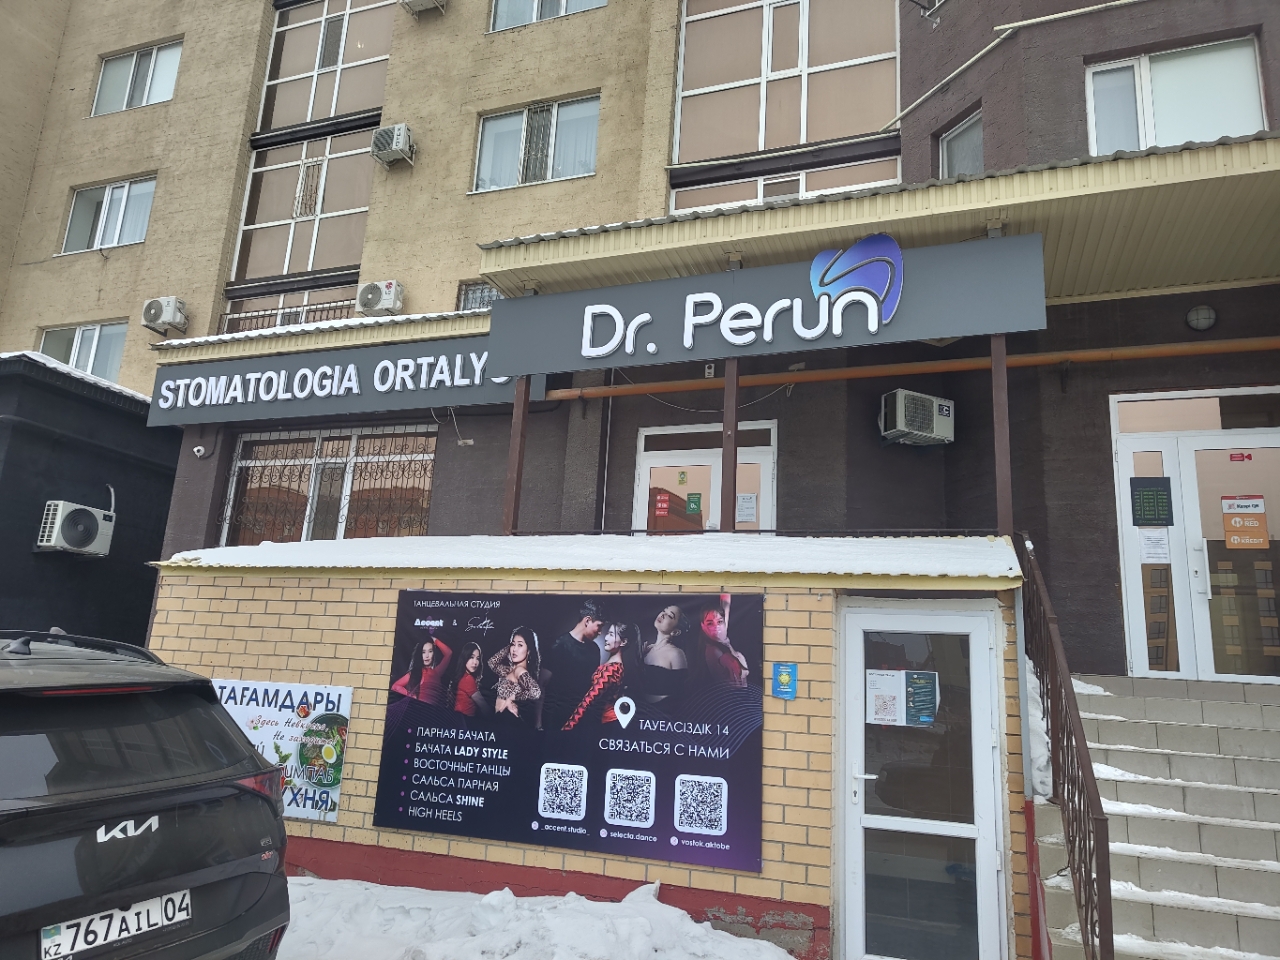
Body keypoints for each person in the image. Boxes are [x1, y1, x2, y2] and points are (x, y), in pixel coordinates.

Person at [563, 622, 642, 730]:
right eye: (607, 633)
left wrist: (568, 727)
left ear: (623, 642)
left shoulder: (612, 669)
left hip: (607, 725)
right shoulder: (613, 666)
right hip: (605, 723)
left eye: (611, 634)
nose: (606, 638)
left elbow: (588, 701)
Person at [541, 600, 605, 731]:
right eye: (599, 626)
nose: (600, 632)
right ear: (587, 621)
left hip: (583, 720)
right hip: (556, 720)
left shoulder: (594, 650)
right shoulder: (559, 645)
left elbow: (592, 687)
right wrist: (538, 723)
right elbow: (541, 684)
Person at [488, 626, 543, 727]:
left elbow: (536, 692)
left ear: (529, 650)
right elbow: (492, 663)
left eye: (520, 645)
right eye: (513, 644)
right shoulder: (511, 670)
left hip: (508, 721)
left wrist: (512, 698)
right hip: (501, 720)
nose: (514, 649)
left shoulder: (519, 671)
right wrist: (509, 647)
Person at [694, 594, 748, 687]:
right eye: (710, 623)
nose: (716, 627)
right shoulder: (714, 651)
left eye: (719, 622)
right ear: (703, 626)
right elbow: (732, 686)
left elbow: (725, 605)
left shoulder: (721, 638)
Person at [642, 604, 689, 703]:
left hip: (664, 709)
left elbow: (681, 693)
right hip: (641, 707)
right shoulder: (648, 649)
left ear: (675, 632)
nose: (663, 614)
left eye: (670, 616)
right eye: (664, 610)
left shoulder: (676, 654)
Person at [391, 635, 453, 705]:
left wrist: (434, 640)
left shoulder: (437, 672)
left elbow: (448, 653)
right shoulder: (415, 673)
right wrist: (410, 695)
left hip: (433, 710)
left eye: (430, 651)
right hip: (419, 709)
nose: (427, 656)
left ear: (434, 653)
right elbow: (395, 686)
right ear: (420, 654)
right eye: (423, 652)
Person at [448, 642, 490, 717]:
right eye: (471, 657)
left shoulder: (463, 676)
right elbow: (483, 706)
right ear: (465, 657)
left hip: (458, 719)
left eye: (478, 658)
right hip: (465, 720)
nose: (475, 662)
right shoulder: (468, 679)